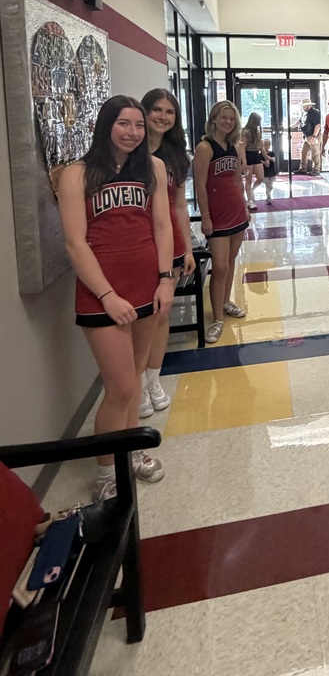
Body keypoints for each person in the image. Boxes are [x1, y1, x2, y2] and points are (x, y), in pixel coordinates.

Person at [58, 95, 174, 501]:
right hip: (101, 293)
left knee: (136, 380)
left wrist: (165, 279)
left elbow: (162, 227)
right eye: (124, 123)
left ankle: (131, 453)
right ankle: (107, 472)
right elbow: (75, 243)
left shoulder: (152, 168)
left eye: (139, 125)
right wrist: (106, 295)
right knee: (121, 387)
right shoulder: (77, 174)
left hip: (147, 286)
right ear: (106, 125)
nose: (133, 132)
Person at [139, 88, 195, 419]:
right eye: (157, 110)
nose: (162, 116)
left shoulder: (176, 156)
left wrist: (187, 246)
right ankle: (136, 382)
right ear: (144, 112)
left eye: (169, 112)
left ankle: (152, 381)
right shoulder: (129, 152)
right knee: (142, 318)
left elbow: (178, 206)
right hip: (137, 243)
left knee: (161, 316)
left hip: (170, 243)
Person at [193, 100, 249, 344]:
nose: (228, 122)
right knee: (221, 266)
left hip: (236, 211)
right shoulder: (204, 148)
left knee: (232, 261)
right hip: (217, 217)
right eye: (223, 117)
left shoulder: (233, 147)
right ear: (213, 119)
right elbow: (200, 186)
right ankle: (216, 319)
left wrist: (245, 206)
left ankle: (225, 302)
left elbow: (237, 181)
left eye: (232, 118)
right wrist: (205, 217)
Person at [241, 112, 264, 207]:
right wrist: (244, 162)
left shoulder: (257, 132)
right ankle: (250, 200)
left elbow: (260, 146)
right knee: (248, 180)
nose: (259, 123)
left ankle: (252, 191)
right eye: (258, 121)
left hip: (256, 154)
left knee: (260, 178)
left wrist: (266, 156)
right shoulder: (245, 132)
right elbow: (242, 147)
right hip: (248, 154)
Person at [297, 99, 322, 175]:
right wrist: (289, 126)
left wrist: (314, 137)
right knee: (304, 153)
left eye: (304, 106)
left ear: (308, 105)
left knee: (315, 153)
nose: (303, 108)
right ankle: (303, 169)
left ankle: (316, 170)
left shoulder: (315, 113)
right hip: (307, 136)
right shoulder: (305, 113)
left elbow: (318, 126)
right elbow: (299, 121)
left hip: (313, 136)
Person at [262, 136, 278, 205]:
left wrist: (270, 159)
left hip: (271, 171)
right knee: (267, 184)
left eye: (268, 145)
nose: (267, 146)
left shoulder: (272, 153)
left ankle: (269, 195)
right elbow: (259, 161)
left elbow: (273, 159)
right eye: (265, 145)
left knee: (271, 185)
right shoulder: (261, 154)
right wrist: (264, 162)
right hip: (265, 172)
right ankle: (268, 197)